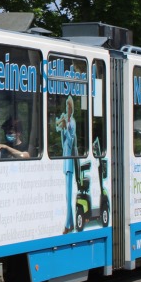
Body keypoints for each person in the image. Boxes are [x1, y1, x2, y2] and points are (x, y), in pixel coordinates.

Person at [56, 97, 78, 232]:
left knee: (69, 195)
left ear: (72, 109)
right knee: (66, 196)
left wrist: (67, 128)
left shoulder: (73, 123)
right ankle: (71, 223)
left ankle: (67, 225)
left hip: (70, 161)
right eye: (66, 107)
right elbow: (59, 132)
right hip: (66, 160)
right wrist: (62, 127)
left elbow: (71, 141)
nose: (67, 110)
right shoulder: (66, 119)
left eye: (69, 108)